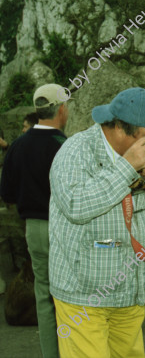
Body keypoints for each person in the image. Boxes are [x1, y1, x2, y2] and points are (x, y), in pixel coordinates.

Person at [48, 87, 145, 357]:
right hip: (83, 295)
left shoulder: (143, 153)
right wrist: (126, 168)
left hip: (129, 290)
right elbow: (76, 205)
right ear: (121, 128)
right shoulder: (75, 151)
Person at [0, 83, 69, 358]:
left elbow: (6, 192)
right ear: (62, 110)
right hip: (65, 228)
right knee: (70, 296)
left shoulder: (17, 146)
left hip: (34, 230)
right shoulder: (65, 146)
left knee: (44, 295)